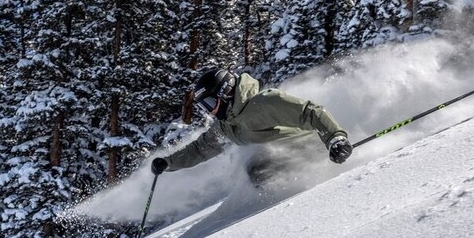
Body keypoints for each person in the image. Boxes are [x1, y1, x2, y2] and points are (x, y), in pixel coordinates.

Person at [151, 67, 353, 185]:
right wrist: (168, 163)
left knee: (258, 169)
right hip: (280, 159)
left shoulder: (264, 104)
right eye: (204, 107)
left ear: (225, 92)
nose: (209, 111)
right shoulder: (226, 125)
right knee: (255, 169)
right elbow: (200, 149)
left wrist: (335, 138)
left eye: (210, 104)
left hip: (313, 148)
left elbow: (311, 112)